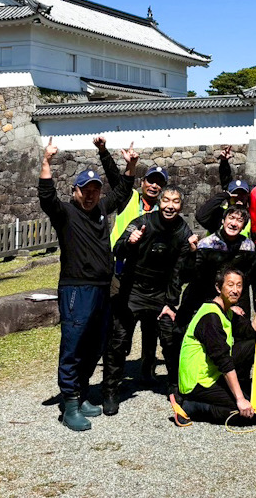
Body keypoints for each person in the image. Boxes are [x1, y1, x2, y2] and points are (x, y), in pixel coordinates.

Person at [38, 136, 136, 432]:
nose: (91, 195)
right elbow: (46, 198)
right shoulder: (66, 214)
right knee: (74, 345)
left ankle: (80, 395)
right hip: (75, 289)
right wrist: (46, 163)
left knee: (95, 345)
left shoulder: (101, 211)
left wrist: (130, 166)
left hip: (101, 288)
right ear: (75, 191)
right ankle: (69, 405)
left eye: (95, 190)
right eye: (86, 190)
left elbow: (122, 192)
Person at [102, 186, 198, 415]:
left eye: (175, 201)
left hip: (160, 294)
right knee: (118, 342)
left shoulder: (184, 231)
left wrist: (170, 302)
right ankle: (110, 390)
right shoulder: (142, 221)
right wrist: (130, 241)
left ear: (181, 206)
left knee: (171, 340)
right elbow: (118, 249)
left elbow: (180, 272)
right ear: (159, 202)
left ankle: (175, 387)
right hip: (132, 289)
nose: (170, 206)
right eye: (166, 200)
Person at [108, 163, 171, 384]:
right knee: (121, 322)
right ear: (142, 182)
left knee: (151, 325)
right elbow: (115, 178)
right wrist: (106, 153)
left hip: (150, 278)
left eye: (159, 183)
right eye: (151, 180)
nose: (154, 186)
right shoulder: (130, 199)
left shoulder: (164, 211)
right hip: (122, 272)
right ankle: (116, 369)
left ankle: (147, 368)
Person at [172, 267, 256, 426]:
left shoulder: (227, 310)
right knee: (245, 414)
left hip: (212, 373)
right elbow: (223, 361)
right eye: (230, 285)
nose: (235, 290)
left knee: (252, 345)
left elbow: (251, 332)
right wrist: (240, 399)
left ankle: (241, 387)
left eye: (239, 285)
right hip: (198, 382)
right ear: (218, 288)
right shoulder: (210, 317)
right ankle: (190, 406)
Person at [174, 206, 256, 353]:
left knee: (243, 335)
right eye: (231, 218)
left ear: (244, 226)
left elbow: (246, 276)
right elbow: (196, 277)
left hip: (232, 296)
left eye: (239, 221)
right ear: (223, 221)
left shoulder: (248, 246)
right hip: (203, 296)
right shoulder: (207, 244)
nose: (234, 223)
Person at [195, 146, 251, 235]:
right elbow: (201, 216)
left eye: (242, 194)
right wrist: (223, 195)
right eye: (235, 195)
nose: (238, 198)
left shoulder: (252, 216)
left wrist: (224, 163)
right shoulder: (220, 214)